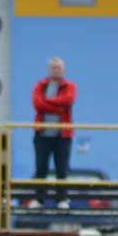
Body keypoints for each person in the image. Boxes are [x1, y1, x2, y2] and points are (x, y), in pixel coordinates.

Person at [29, 56, 76, 209]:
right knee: (40, 168)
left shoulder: (70, 86)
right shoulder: (39, 85)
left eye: (59, 68)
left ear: (63, 70)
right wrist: (57, 107)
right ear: (48, 69)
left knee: (61, 168)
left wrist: (47, 102)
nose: (56, 70)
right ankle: (39, 200)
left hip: (62, 135)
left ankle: (61, 199)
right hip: (42, 134)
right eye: (53, 67)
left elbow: (67, 101)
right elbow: (37, 103)